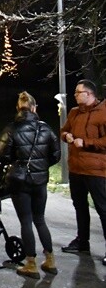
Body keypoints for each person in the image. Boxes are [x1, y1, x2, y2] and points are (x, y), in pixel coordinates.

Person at [0, 90, 61, 277]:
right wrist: (41, 166)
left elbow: (1, 155)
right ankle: (50, 260)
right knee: (40, 219)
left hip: (20, 181)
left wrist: (17, 162)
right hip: (40, 182)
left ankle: (30, 263)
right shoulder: (46, 128)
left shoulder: (12, 129)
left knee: (26, 221)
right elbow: (56, 155)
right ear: (34, 108)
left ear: (19, 108)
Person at [60, 79, 106, 265]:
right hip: (76, 168)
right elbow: (63, 131)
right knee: (80, 206)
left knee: (103, 209)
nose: (75, 95)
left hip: (96, 170)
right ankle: (82, 241)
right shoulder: (74, 113)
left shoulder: (103, 113)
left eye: (78, 93)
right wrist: (67, 136)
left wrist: (86, 142)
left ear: (89, 94)